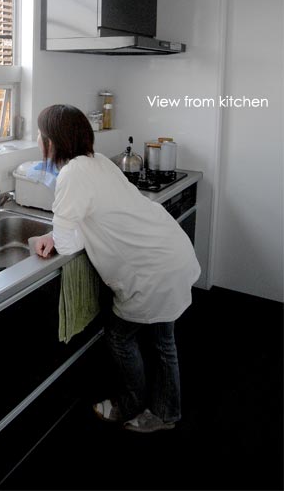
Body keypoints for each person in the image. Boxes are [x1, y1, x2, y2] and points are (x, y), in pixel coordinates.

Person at [34, 104, 201, 433]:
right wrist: (57, 232)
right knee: (163, 340)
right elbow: (90, 219)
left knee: (120, 337)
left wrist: (49, 236)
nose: (39, 141)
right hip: (170, 250)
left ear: (52, 141)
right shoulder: (97, 161)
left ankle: (132, 404)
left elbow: (67, 243)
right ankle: (167, 410)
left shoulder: (72, 174)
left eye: (41, 135)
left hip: (152, 269)